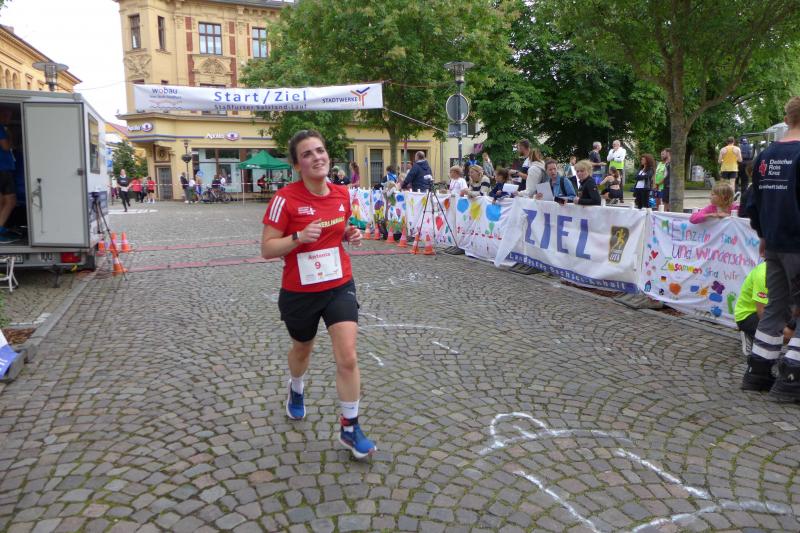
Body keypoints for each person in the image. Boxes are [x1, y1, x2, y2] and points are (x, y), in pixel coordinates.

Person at [260, 129, 376, 459]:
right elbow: (267, 249)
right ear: (297, 165)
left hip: (338, 283)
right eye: (307, 154)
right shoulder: (285, 199)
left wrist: (349, 234)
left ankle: (350, 427)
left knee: (347, 356)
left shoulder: (341, 194)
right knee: (302, 349)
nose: (317, 157)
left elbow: (338, 231)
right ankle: (296, 388)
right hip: (300, 291)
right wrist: (297, 237)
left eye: (320, 150)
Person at [741, 96, 800, 400]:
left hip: (774, 244)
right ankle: (792, 379)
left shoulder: (766, 155)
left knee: (776, 307)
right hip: (797, 243)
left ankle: (758, 371)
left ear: (787, 119)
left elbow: (752, 201)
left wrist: (763, 234)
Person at [0, 109, 17, 243]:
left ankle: (1, 228)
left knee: (3, 201)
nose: (8, 117)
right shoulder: (1, 129)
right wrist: (10, 137)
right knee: (10, 201)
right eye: (6, 114)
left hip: (3, 169)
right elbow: (6, 147)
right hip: (3, 169)